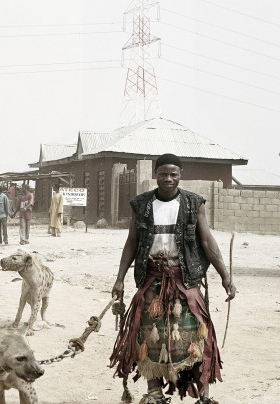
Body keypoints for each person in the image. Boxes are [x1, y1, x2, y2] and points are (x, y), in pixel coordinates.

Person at [108, 154, 237, 404]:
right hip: (151, 279)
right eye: (163, 174)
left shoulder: (194, 203)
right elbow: (132, 242)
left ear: (180, 174)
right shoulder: (140, 204)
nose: (168, 179)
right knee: (149, 337)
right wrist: (120, 278)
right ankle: (154, 394)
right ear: (156, 174)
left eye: (173, 174)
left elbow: (207, 241)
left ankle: (203, 397)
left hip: (185, 280)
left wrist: (225, 276)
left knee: (197, 336)